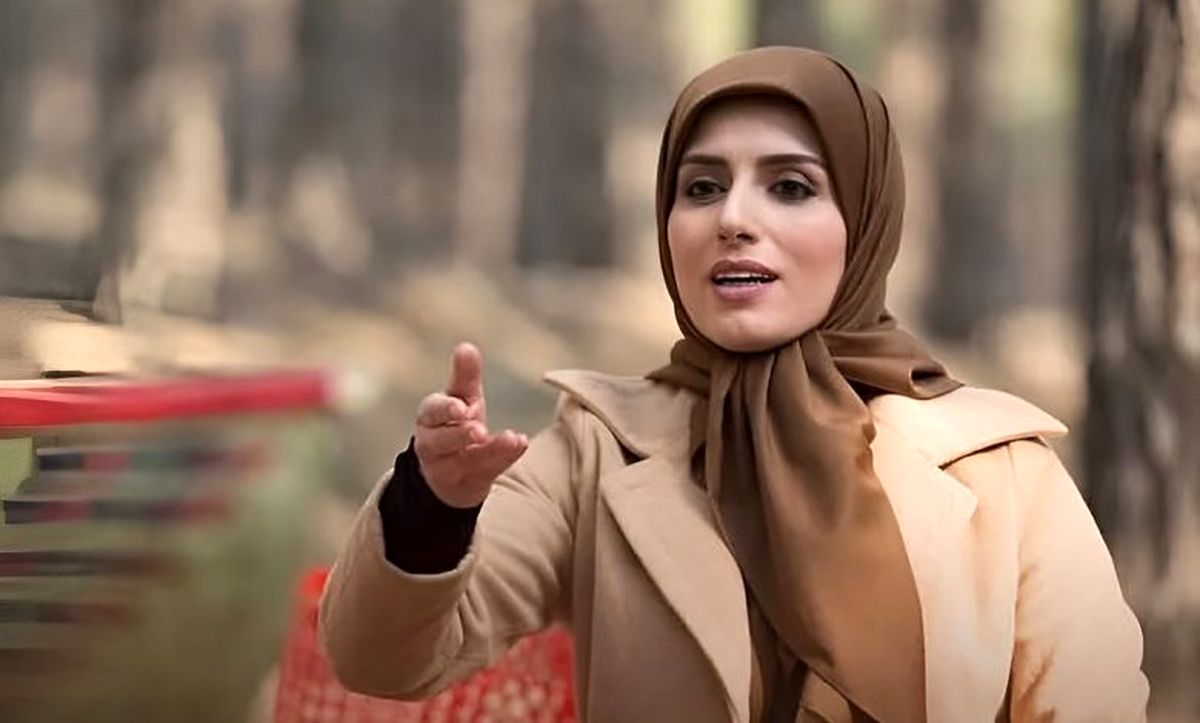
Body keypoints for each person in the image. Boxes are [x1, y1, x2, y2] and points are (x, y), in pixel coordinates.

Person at [318, 47, 1149, 722]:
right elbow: (384, 661)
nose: (733, 219)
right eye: (702, 187)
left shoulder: (1002, 467)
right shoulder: (597, 446)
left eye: (790, 187)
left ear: (866, 220)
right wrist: (433, 507)